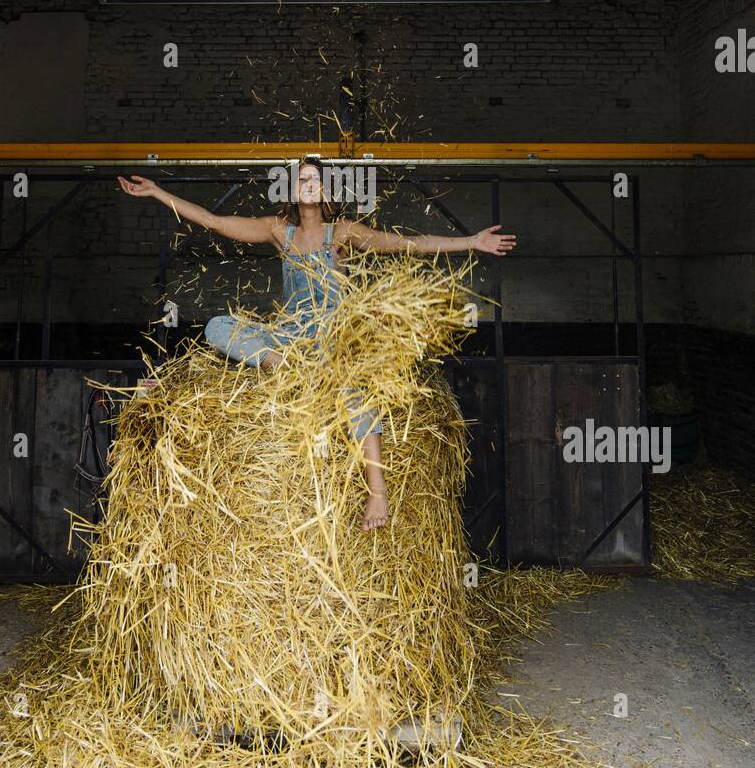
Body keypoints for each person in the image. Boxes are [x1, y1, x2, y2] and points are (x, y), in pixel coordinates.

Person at [118, 159, 516, 531]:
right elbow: (213, 221)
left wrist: (470, 242)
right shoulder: (279, 231)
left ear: (324, 190)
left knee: (356, 388)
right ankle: (288, 369)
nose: (308, 184)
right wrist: (157, 192)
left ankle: (377, 494)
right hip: (289, 340)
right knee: (217, 327)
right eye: (302, 179)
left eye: (315, 179)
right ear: (294, 190)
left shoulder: (341, 233)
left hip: (333, 340)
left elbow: (406, 244)